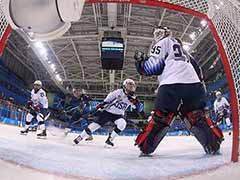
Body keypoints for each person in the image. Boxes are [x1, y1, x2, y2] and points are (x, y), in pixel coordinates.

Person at [134, 26, 223, 156]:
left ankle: (146, 147)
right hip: (194, 85)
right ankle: (213, 144)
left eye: (160, 33)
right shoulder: (185, 52)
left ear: (167, 33)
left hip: (170, 85)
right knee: (196, 117)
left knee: (161, 118)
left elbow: (153, 67)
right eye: (156, 33)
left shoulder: (163, 42)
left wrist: (140, 64)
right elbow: (198, 71)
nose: (157, 35)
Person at [73, 78, 144, 147]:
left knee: (122, 124)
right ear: (124, 86)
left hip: (118, 115)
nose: (131, 88)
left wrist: (136, 103)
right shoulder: (117, 92)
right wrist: (99, 107)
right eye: (129, 86)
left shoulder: (133, 98)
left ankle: (109, 140)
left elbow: (139, 109)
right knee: (95, 125)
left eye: (132, 86)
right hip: (108, 112)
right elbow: (106, 101)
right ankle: (80, 137)